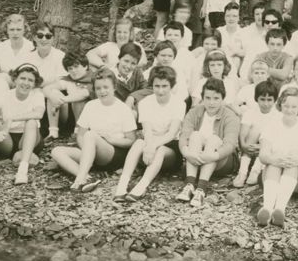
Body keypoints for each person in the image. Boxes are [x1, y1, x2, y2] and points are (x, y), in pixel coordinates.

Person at [50, 69, 137, 192]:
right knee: (57, 151)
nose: (102, 91)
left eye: (106, 87)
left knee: (90, 135)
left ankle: (79, 178)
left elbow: (131, 141)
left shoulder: (123, 109)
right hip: (91, 151)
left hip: (113, 153)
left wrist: (111, 140)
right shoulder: (90, 106)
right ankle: (87, 178)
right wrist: (86, 149)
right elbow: (80, 135)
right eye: (98, 88)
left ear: (114, 87)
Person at [114, 66, 186, 202]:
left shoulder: (179, 103)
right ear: (151, 85)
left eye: (165, 86)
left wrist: (152, 147)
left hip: (169, 149)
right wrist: (149, 146)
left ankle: (142, 186)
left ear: (172, 86)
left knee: (160, 150)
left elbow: (171, 134)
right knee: (138, 142)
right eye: (156, 86)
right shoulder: (145, 103)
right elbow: (147, 131)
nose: (160, 90)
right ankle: (122, 186)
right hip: (149, 145)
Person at [255, 87, 298, 228]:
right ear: (280, 105)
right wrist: (274, 159)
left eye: (294, 106)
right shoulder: (271, 126)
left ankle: (280, 209)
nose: (289, 110)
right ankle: (267, 209)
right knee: (273, 160)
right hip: (271, 175)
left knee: (293, 157)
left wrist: (297, 160)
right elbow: (263, 156)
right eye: (286, 105)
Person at [177, 78, 242, 207]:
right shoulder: (195, 112)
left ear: (222, 99)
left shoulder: (230, 116)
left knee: (214, 139)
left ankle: (201, 188)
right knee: (194, 135)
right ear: (202, 98)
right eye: (207, 98)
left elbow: (230, 144)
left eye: (216, 98)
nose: (211, 103)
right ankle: (189, 185)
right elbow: (184, 135)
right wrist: (186, 153)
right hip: (196, 158)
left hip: (221, 159)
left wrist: (212, 156)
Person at [233, 78, 280, 187]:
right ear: (256, 99)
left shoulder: (277, 115)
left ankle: (255, 170)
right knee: (255, 130)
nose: (266, 103)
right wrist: (244, 145)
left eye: (269, 100)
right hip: (250, 146)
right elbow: (243, 133)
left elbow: (277, 138)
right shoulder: (250, 112)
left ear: (274, 100)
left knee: (267, 134)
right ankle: (242, 172)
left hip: (267, 149)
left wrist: (262, 147)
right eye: (262, 99)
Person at [43, 52, 96, 138]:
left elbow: (84, 94)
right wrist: (53, 97)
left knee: (78, 100)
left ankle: (78, 132)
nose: (73, 71)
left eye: (76, 67)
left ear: (85, 66)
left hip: (86, 119)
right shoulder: (68, 79)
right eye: (70, 68)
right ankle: (53, 132)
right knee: (53, 93)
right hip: (69, 115)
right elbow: (46, 89)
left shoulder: (93, 78)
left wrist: (61, 100)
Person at [0, 13, 34, 80]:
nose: (15, 33)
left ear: (24, 30)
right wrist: (2, 77)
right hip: (4, 83)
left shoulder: (32, 48)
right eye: (12, 29)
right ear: (7, 30)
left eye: (19, 29)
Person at [26, 23, 67, 87]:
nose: (44, 39)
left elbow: (62, 81)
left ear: (53, 38)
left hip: (51, 91)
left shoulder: (60, 56)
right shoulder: (27, 56)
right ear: (34, 38)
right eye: (40, 35)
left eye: (48, 36)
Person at [216, 1, 246, 76]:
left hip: (236, 64)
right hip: (219, 62)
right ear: (224, 17)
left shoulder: (244, 32)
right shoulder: (219, 31)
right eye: (228, 16)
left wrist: (235, 52)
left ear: (239, 18)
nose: (231, 19)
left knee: (236, 59)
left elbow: (247, 52)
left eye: (234, 16)